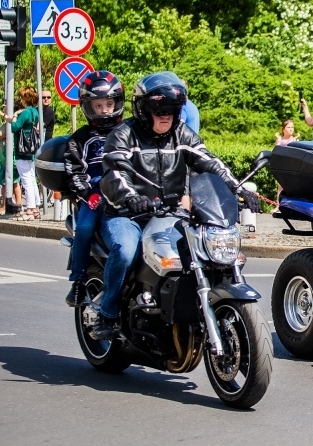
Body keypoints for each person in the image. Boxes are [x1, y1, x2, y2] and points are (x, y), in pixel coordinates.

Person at [91, 71, 260, 339]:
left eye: (172, 108)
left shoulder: (181, 133)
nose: (165, 114)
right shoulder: (124, 134)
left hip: (170, 213)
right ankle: (107, 314)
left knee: (202, 251)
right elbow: (114, 174)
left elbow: (209, 161)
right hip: (127, 215)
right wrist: (131, 198)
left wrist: (238, 188)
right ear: (143, 109)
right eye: (159, 108)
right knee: (125, 251)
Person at [64, 71, 125, 307]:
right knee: (85, 227)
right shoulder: (80, 138)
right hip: (96, 195)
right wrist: (88, 195)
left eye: (109, 104)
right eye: (98, 106)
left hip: (127, 193)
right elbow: (74, 171)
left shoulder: (129, 131)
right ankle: (78, 282)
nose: (105, 110)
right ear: (88, 107)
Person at [0, 87, 41, 220]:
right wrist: (2, 114)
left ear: (26, 98)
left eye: (21, 97)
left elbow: (14, 127)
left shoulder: (25, 112)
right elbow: (17, 122)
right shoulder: (34, 112)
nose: (20, 100)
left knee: (26, 181)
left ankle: (30, 210)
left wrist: (15, 116)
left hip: (22, 151)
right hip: (30, 150)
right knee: (32, 179)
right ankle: (36, 208)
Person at [0, 123, 22, 215]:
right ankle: (16, 206)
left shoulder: (10, 123)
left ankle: (5, 207)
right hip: (3, 158)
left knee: (10, 183)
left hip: (7, 158)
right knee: (12, 183)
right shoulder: (7, 122)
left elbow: (0, 135)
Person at [274, 118, 299, 206]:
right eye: (288, 127)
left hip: (291, 166)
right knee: (280, 186)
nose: (291, 129)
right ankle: (278, 205)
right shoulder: (280, 140)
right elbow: (276, 150)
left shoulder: (295, 140)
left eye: (292, 127)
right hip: (282, 165)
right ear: (283, 129)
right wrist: (278, 139)